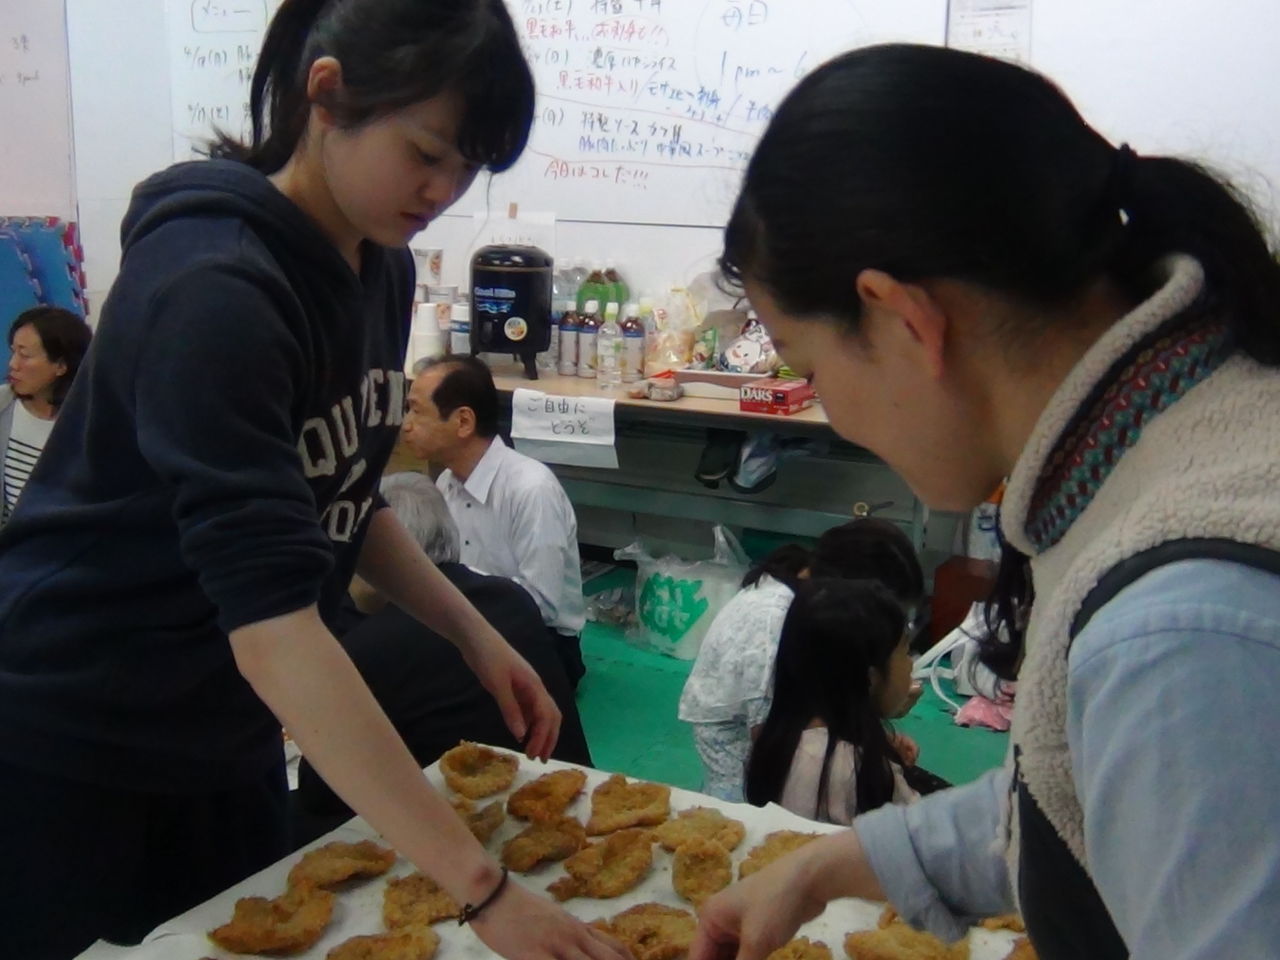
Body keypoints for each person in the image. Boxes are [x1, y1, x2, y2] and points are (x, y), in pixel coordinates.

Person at [0, 3, 629, 960]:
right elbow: (274, 627)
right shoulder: (217, 287)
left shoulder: (380, 266)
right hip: (79, 726)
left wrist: (472, 633)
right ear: (327, 94)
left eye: (468, 168)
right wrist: (482, 887)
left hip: (225, 729)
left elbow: (340, 495)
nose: (443, 191)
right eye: (426, 153)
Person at [691, 43, 1280, 960]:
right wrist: (827, 867)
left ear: (900, 318)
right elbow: (1090, 792)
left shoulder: (1179, 634)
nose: (829, 411)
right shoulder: (1184, 421)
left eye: (809, 369)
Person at [294, 472, 592, 842]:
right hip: (573, 794)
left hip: (480, 826)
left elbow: (319, 795)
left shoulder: (368, 647)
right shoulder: (512, 599)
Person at [679, 518, 925, 802]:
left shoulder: (807, 596)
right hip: (743, 754)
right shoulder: (774, 622)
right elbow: (770, 737)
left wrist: (879, 737)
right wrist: (882, 705)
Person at [402, 355, 588, 686]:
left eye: (416, 411)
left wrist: (462, 606)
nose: (406, 424)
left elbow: (541, 605)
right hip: (472, 626)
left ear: (463, 422)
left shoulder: (531, 489)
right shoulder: (446, 483)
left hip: (540, 640)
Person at [745, 578, 919, 824]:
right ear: (870, 678)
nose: (910, 664)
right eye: (905, 652)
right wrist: (888, 766)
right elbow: (917, 833)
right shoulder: (862, 769)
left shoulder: (774, 742)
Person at [1, 306, 92, 524]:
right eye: (14, 352)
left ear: (61, 366)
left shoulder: (90, 421)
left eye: (25, 355)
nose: (13, 364)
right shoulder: (4, 406)